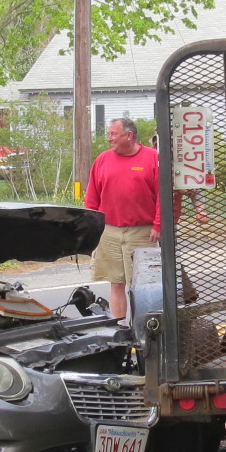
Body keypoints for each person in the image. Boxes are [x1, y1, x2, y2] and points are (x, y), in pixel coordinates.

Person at [84, 117, 161, 321]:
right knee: (116, 283)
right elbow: (92, 196)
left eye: (113, 134)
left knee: (142, 286)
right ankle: (120, 329)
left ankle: (144, 330)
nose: (109, 138)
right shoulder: (102, 159)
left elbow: (163, 195)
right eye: (109, 134)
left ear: (129, 135)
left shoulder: (153, 158)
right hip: (108, 231)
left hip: (143, 233)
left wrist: (158, 225)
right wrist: (90, 226)